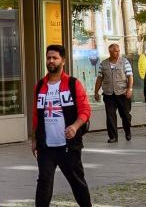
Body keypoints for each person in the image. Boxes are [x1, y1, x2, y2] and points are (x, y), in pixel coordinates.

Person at [32, 44, 92, 207]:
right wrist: (35, 139)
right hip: (46, 147)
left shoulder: (73, 84)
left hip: (68, 146)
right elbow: (36, 114)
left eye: (55, 58)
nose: (51, 61)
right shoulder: (40, 86)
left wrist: (75, 126)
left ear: (63, 60)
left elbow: (85, 110)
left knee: (77, 182)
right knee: (44, 182)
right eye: (48, 57)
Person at [92, 43, 133, 143]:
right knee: (110, 116)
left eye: (118, 50)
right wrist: (96, 92)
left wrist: (130, 89)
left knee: (125, 116)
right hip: (108, 94)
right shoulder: (103, 64)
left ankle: (127, 131)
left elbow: (130, 76)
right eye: (115, 51)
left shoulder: (125, 62)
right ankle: (113, 137)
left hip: (123, 93)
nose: (118, 52)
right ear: (110, 51)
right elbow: (100, 78)